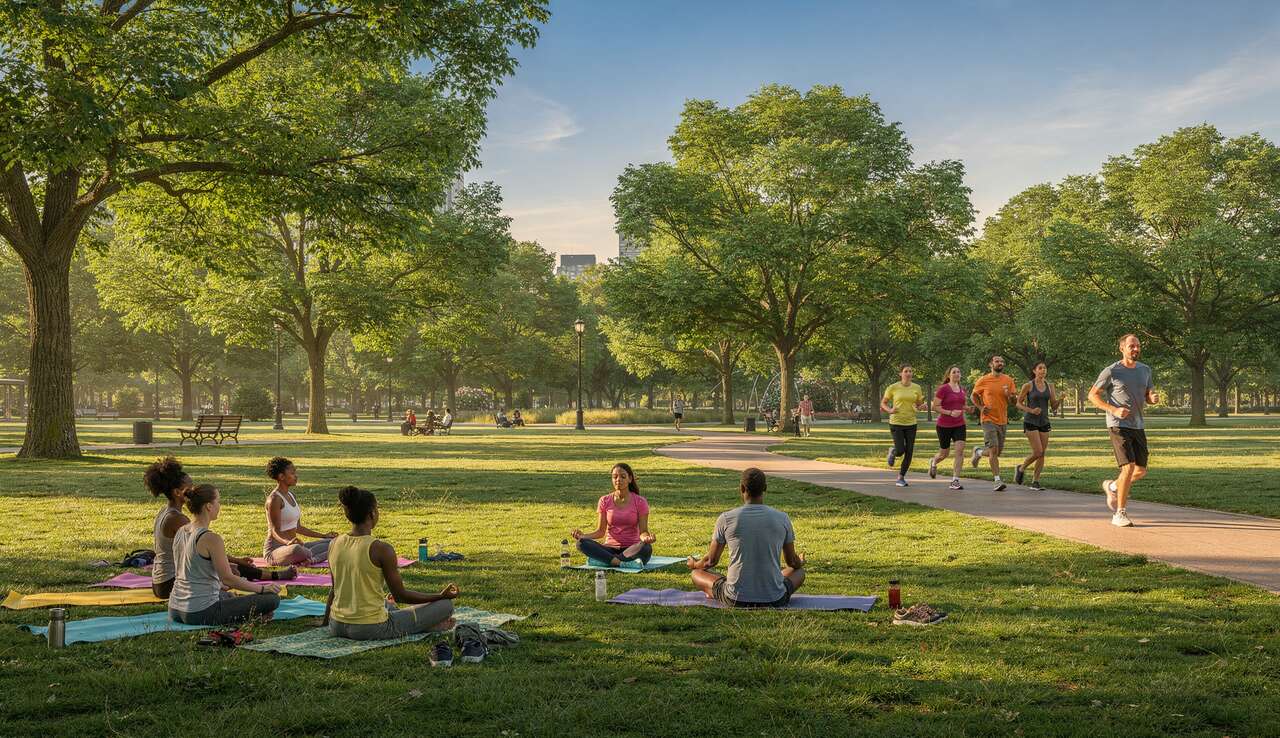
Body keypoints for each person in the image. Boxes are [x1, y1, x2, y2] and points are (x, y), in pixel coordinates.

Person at [321, 486, 459, 643]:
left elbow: (335, 589)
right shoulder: (381, 549)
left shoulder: (334, 543)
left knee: (387, 602)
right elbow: (401, 595)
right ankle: (427, 625)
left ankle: (417, 621)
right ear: (372, 514)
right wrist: (440, 596)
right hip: (371, 628)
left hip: (337, 625)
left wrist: (326, 623)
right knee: (445, 606)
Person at [145, 456, 293, 599]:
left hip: (162, 581)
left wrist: (233, 562)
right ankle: (275, 576)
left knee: (230, 567)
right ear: (177, 493)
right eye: (190, 488)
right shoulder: (178, 520)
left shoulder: (166, 512)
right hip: (170, 583)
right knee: (231, 569)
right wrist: (233, 564)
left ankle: (272, 575)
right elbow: (202, 554)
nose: (193, 490)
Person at [687, 467, 805, 607]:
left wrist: (694, 565)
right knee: (799, 572)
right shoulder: (782, 518)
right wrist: (800, 562)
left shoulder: (726, 518)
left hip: (735, 599)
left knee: (696, 574)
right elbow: (792, 562)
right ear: (765, 488)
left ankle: (714, 591)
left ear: (742, 488)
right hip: (775, 599)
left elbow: (709, 561)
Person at [169, 484, 282, 625]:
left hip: (175, 609)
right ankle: (253, 616)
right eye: (218, 501)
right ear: (209, 506)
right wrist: (263, 589)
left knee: (227, 595)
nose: (219, 506)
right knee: (272, 599)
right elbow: (228, 579)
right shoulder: (211, 538)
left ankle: (249, 612)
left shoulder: (181, 531)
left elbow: (190, 569)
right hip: (200, 613)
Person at [1089, 334, 1157, 527]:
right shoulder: (1112, 371)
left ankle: (1111, 486)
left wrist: (1152, 398)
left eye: (1138, 346)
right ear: (1122, 348)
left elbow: (1148, 394)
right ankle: (1119, 513)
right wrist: (1113, 409)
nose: (1135, 349)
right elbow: (1092, 395)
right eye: (1131, 346)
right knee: (1128, 468)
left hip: (1138, 424)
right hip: (1118, 424)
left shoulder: (1145, 370)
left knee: (1140, 470)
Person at [571, 463, 656, 566]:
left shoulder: (640, 502)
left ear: (630, 479)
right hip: (609, 549)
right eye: (615, 477)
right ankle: (620, 563)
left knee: (646, 548)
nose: (618, 480)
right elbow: (600, 532)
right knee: (581, 543)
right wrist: (583, 536)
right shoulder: (604, 500)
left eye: (623, 477)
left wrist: (646, 539)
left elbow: (643, 532)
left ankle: (607, 561)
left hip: (631, 549)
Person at [263, 456, 337, 565]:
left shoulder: (291, 495)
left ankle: (311, 557)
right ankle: (313, 558)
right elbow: (274, 531)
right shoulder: (275, 499)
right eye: (292, 473)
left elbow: (298, 527)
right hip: (277, 550)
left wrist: (324, 535)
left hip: (295, 545)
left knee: (335, 542)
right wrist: (288, 542)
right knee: (297, 550)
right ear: (281, 476)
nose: (296, 476)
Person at [970, 355, 1018, 491]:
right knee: (993, 450)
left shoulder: (1008, 380)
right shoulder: (983, 380)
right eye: (997, 361)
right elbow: (973, 395)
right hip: (988, 419)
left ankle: (978, 452)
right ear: (991, 364)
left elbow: (1013, 402)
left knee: (997, 452)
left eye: (1002, 361)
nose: (1000, 363)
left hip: (1002, 419)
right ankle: (997, 480)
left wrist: (1011, 396)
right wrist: (980, 407)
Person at [881, 364, 927, 487]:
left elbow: (918, 405)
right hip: (896, 422)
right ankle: (893, 451)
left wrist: (922, 406)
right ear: (900, 374)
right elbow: (883, 403)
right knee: (901, 450)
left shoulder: (917, 388)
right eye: (906, 371)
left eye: (910, 371)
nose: (908, 373)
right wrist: (890, 410)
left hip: (911, 423)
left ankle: (901, 477)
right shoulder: (893, 387)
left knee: (909, 451)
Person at [1015, 361, 1059, 490]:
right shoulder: (1028, 385)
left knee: (1042, 453)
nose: (1043, 370)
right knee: (1038, 451)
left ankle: (1035, 481)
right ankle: (1021, 468)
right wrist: (1031, 410)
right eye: (1040, 368)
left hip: (1044, 421)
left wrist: (1060, 399)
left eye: (1044, 368)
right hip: (1030, 421)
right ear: (1034, 371)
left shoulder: (1050, 386)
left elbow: (1053, 406)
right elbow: (1018, 403)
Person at [928, 366, 970, 490]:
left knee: (959, 451)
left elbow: (961, 405)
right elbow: (935, 407)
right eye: (954, 372)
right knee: (944, 454)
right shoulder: (943, 389)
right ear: (949, 375)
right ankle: (934, 462)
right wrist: (950, 413)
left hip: (959, 424)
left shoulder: (962, 390)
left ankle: (955, 480)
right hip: (944, 426)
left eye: (958, 372)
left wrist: (968, 409)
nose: (957, 374)